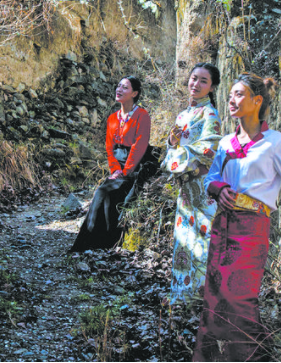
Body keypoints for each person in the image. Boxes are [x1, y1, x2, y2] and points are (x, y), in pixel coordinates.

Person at [193, 73, 281, 362]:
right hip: (223, 226)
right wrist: (218, 188)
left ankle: (256, 358)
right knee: (215, 299)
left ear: (257, 101)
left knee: (240, 299)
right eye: (230, 95)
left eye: (239, 94)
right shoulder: (225, 143)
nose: (232, 100)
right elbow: (212, 176)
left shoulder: (273, 142)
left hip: (253, 228)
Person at [70, 76, 158, 252]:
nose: (119, 89)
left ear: (134, 93)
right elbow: (109, 148)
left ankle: (108, 242)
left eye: (125, 87)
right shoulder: (112, 118)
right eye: (118, 86)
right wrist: (115, 169)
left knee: (111, 194)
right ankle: (89, 243)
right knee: (102, 192)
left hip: (136, 163)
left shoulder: (142, 115)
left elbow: (140, 146)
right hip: (118, 165)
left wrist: (125, 171)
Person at [162, 62, 223, 308]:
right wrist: (172, 142)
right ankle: (180, 295)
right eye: (193, 78)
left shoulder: (210, 115)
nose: (195, 85)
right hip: (185, 187)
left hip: (202, 186)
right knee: (183, 239)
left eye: (203, 81)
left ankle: (199, 298)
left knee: (202, 239)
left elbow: (210, 147)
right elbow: (172, 151)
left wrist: (180, 157)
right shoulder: (182, 115)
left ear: (212, 87)